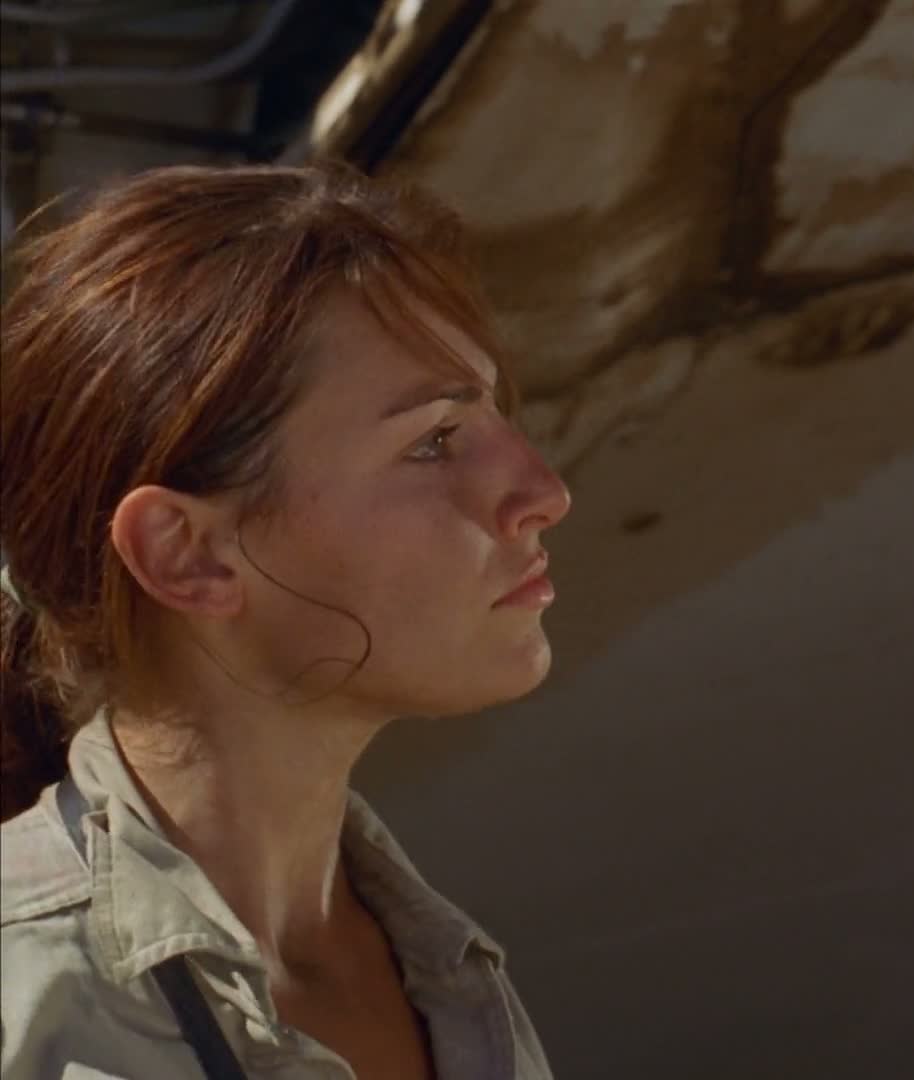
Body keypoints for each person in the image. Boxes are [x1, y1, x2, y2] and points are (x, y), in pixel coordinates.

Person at [1, 163, 569, 1078]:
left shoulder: (447, 976)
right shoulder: (26, 1008)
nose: (543, 493)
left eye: (494, 412)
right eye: (432, 441)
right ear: (186, 554)